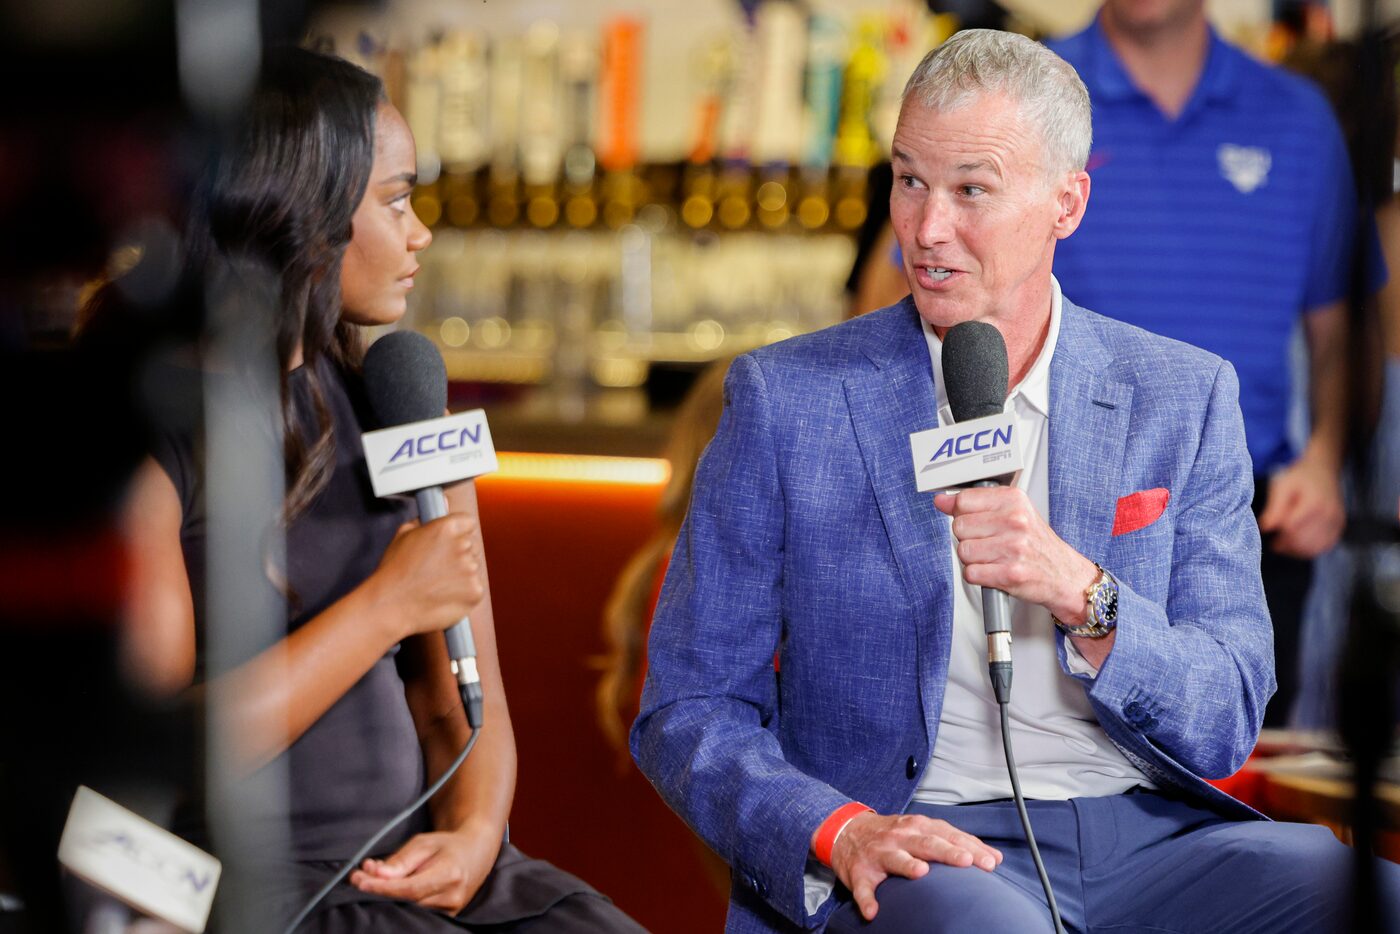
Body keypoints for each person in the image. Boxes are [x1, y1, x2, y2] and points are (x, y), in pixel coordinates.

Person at [630, 29, 1400, 934]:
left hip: (1150, 836)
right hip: (918, 835)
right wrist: (839, 832)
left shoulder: (1181, 397)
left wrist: (1083, 593)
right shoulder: (788, 399)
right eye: (909, 179)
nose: (926, 229)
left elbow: (1227, 711)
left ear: (1065, 204)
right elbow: (687, 709)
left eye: (971, 190)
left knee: (1364, 896)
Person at [109, 47, 644, 933]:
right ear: (302, 217)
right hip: (243, 886)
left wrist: (474, 833)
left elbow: (465, 700)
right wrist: (384, 606)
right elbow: (157, 756)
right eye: (396, 202)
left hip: (424, 863)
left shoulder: (398, 401)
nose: (421, 231)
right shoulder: (158, 437)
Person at [1046, 0, 1382, 726]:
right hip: (1057, 508)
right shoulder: (1028, 91)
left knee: (1236, 789)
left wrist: (1325, 460)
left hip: (1247, 523)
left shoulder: (1298, 122)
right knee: (1055, 783)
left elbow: (1344, 328)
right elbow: (922, 280)